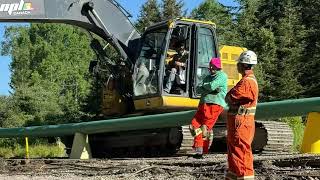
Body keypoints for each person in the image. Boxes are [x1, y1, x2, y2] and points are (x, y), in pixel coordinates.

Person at [225, 50, 259, 180]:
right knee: (235, 154)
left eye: (239, 63)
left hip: (242, 123)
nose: (237, 66)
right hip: (239, 122)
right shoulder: (246, 80)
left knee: (241, 154)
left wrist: (229, 95)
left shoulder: (247, 82)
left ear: (244, 65)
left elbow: (230, 97)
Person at [189, 57, 228, 158]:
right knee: (194, 126)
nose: (210, 68)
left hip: (214, 104)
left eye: (213, 66)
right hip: (203, 104)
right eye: (210, 66)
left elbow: (211, 86)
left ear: (218, 67)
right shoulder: (207, 77)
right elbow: (198, 89)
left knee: (204, 129)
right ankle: (199, 149)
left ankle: (202, 152)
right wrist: (210, 88)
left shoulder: (222, 76)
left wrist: (206, 87)